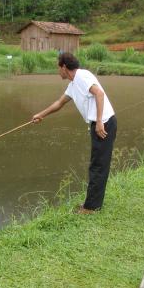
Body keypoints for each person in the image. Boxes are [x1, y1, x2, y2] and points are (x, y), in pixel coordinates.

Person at [32, 52, 117, 214]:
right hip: (99, 124)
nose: (58, 71)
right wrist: (41, 115)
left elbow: (99, 93)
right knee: (97, 164)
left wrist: (99, 121)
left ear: (64, 67)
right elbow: (59, 103)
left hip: (104, 124)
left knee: (98, 166)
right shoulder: (73, 85)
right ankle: (92, 204)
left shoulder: (82, 76)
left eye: (58, 67)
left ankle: (91, 208)